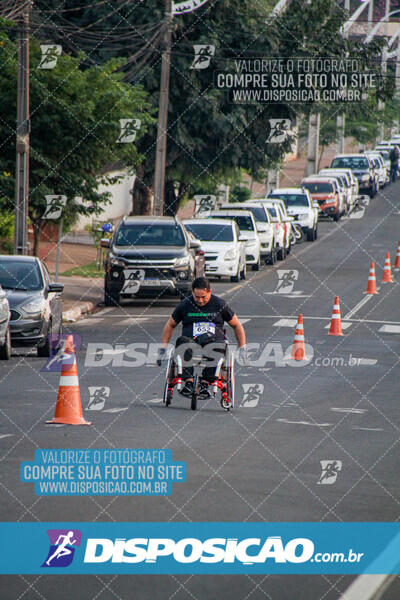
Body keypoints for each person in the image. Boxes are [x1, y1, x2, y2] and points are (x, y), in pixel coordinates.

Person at [158, 277, 247, 399]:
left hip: (213, 342)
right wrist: (163, 347)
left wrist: (242, 347)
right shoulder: (185, 304)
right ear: (192, 293)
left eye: (203, 297)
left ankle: (205, 383)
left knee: (219, 345)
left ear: (209, 292)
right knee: (182, 342)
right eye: (197, 297)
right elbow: (170, 325)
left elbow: (237, 325)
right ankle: (189, 382)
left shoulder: (219, 304)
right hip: (190, 342)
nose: (200, 300)